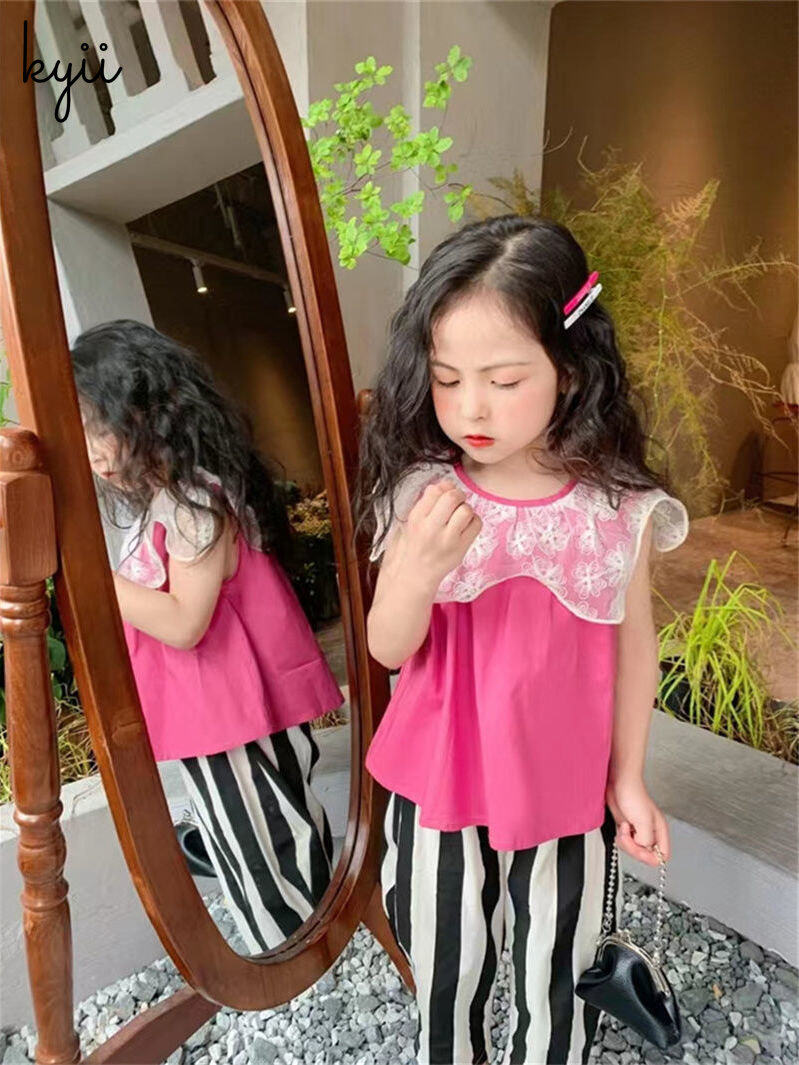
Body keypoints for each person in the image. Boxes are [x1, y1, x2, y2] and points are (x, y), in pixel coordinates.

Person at [354, 216, 689, 1065]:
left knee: (559, 963)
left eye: (504, 379)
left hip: (562, 783)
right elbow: (388, 647)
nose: (470, 407)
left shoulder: (615, 507)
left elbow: (634, 646)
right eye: (445, 378)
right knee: (443, 960)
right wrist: (414, 573)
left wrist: (627, 776)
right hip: (438, 777)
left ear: (569, 369)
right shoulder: (425, 492)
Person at [71, 320, 345, 955]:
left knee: (264, 832)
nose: (93, 454)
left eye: (95, 429)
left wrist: (90, 577)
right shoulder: (169, 501)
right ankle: (293, 938)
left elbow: (184, 622)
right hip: (217, 711)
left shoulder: (193, 502)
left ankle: (293, 951)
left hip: (230, 712)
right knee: (253, 826)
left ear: (145, 416)